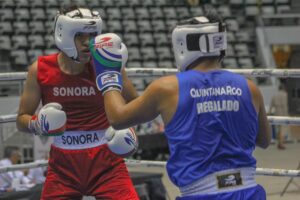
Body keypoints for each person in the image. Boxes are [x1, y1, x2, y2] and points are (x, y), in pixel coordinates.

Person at [90, 12, 272, 200]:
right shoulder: (249, 87)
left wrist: (109, 72)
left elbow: (117, 118)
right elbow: (265, 140)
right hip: (249, 191)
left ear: (182, 44)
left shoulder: (167, 88)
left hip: (202, 194)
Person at [16, 5, 139, 199]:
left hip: (107, 162)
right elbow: (21, 119)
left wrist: (129, 129)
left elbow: (136, 104)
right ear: (63, 35)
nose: (87, 43)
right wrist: (37, 124)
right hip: (63, 167)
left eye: (91, 36)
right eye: (80, 36)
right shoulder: (40, 69)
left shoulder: (105, 62)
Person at [269, 81, 289, 150]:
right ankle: (281, 143)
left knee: (278, 129)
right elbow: (285, 105)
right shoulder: (285, 94)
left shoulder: (275, 95)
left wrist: (269, 112)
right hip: (283, 112)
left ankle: (279, 142)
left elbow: (271, 105)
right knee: (282, 129)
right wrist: (286, 115)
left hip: (276, 112)